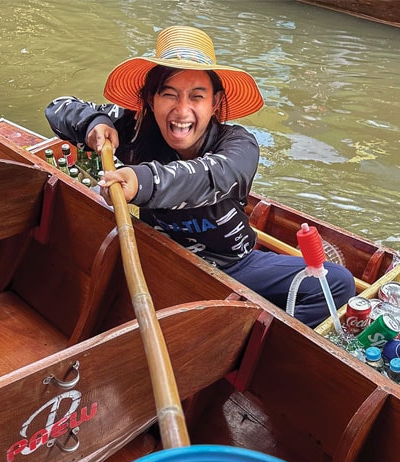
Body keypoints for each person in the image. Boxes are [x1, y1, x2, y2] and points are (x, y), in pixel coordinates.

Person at [44, 25, 355, 327]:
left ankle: (247, 335)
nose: (182, 111)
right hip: (159, 253)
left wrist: (142, 181)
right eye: (169, 95)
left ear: (215, 102)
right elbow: (59, 108)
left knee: (338, 283)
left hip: (232, 266)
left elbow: (207, 177)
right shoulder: (135, 126)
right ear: (151, 100)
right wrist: (93, 124)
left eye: (196, 97)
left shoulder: (239, 145)